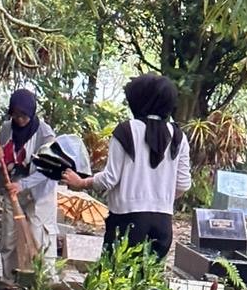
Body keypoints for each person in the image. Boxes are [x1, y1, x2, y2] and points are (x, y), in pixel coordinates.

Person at [62, 73, 191, 261]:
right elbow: (183, 184)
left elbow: (110, 178)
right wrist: (160, 197)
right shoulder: (179, 137)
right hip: (163, 223)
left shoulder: (126, 130)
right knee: (147, 283)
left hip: (127, 220)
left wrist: (82, 182)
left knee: (116, 281)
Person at [0, 89, 56, 280]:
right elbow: (1, 159)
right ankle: (9, 281)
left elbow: (47, 169)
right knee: (9, 236)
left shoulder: (46, 135)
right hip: (13, 187)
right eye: (15, 115)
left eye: (24, 116)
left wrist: (24, 184)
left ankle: (43, 283)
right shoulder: (6, 129)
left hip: (40, 191)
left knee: (38, 235)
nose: (19, 120)